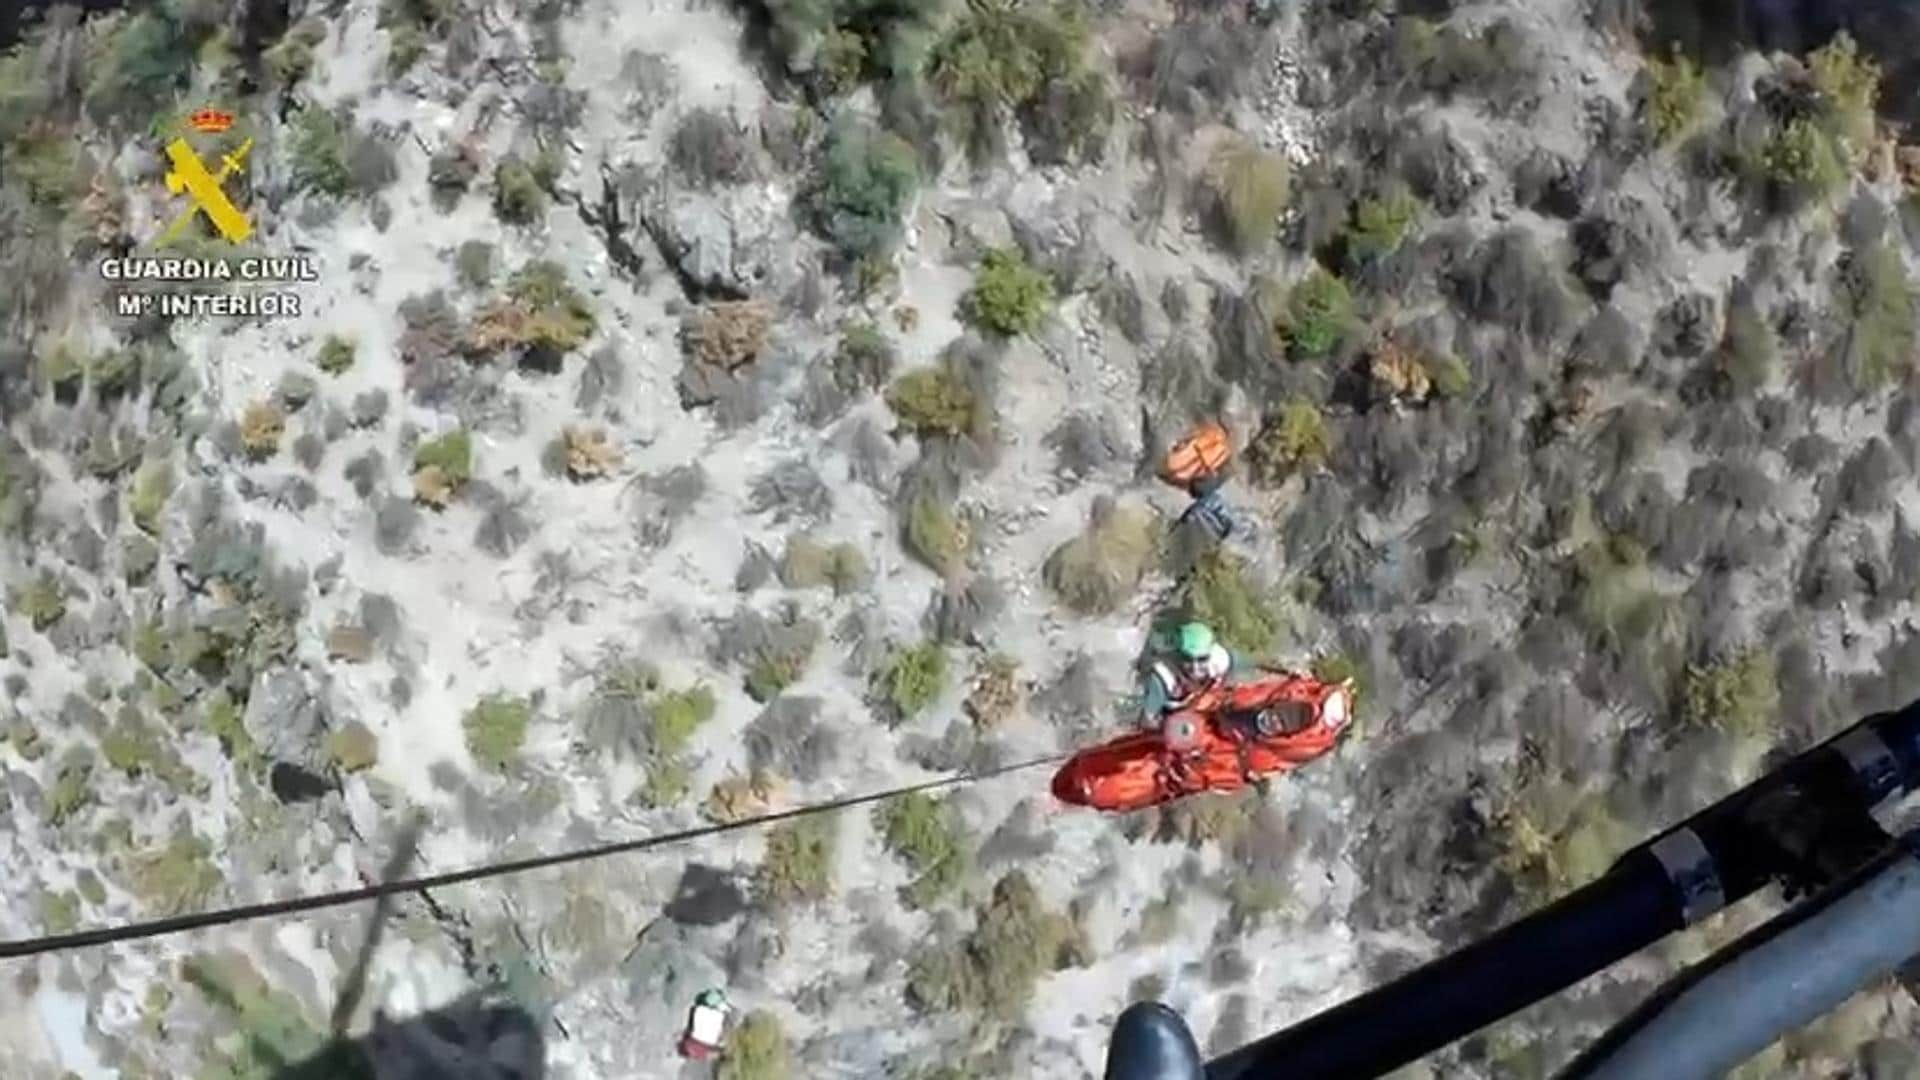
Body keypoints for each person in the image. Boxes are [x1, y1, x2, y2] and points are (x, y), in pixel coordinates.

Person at [1141, 621, 1241, 724]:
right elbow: (1148, 719)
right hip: (1173, 720)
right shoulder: (1164, 678)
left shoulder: (1221, 661)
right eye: (1187, 658)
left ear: (1210, 654)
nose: (1195, 667)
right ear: (1177, 655)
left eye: (1202, 659)